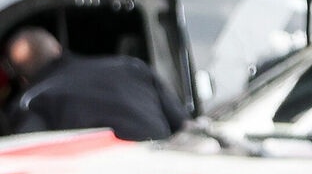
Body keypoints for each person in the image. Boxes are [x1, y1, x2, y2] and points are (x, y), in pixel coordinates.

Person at [1, 27, 184, 140]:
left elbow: (32, 156)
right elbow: (183, 126)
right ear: (58, 49)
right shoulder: (132, 67)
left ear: (23, 80)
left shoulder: (31, 102)